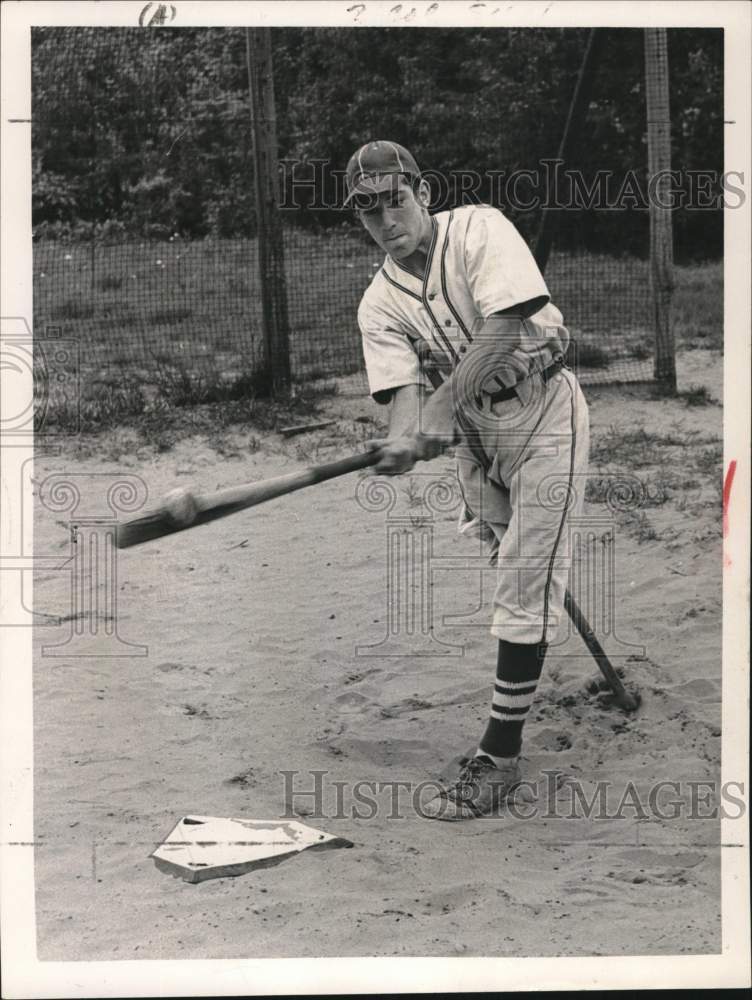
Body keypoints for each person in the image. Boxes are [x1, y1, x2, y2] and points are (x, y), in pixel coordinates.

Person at [347, 140, 590, 821]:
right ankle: (531, 637)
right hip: (478, 441)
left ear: (422, 194)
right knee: (515, 562)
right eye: (368, 210)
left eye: (395, 200)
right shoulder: (378, 303)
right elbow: (403, 395)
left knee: (525, 579)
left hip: (543, 411)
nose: (386, 220)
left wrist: (438, 409)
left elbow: (506, 326)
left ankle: (499, 755)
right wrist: (402, 440)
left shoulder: (479, 228)